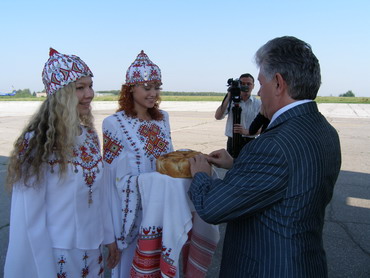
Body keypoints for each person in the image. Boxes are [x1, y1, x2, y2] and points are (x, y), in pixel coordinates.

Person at [188, 36, 342, 277]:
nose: (259, 91)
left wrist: (201, 176)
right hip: (305, 264)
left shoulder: (274, 144)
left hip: (269, 267)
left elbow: (212, 207)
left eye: (261, 83)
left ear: (279, 83)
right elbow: (288, 178)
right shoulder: (324, 129)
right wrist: (236, 164)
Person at [4, 48, 120, 277]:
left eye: (90, 85)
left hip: (92, 253)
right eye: (79, 88)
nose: (89, 94)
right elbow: (29, 219)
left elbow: (99, 194)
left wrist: (109, 238)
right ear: (60, 95)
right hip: (57, 257)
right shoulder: (35, 144)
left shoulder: (89, 135)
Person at [102, 50, 174, 277]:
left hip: (162, 209)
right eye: (147, 87)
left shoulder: (163, 118)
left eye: (157, 87)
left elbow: (169, 160)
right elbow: (111, 177)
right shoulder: (114, 124)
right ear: (131, 88)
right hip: (132, 214)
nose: (153, 93)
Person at [214, 73, 261, 158]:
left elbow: (263, 127)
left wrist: (247, 131)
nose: (245, 86)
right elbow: (218, 116)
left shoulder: (258, 103)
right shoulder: (231, 102)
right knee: (232, 167)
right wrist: (229, 96)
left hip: (250, 142)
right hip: (232, 141)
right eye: (242, 84)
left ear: (253, 86)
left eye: (248, 84)